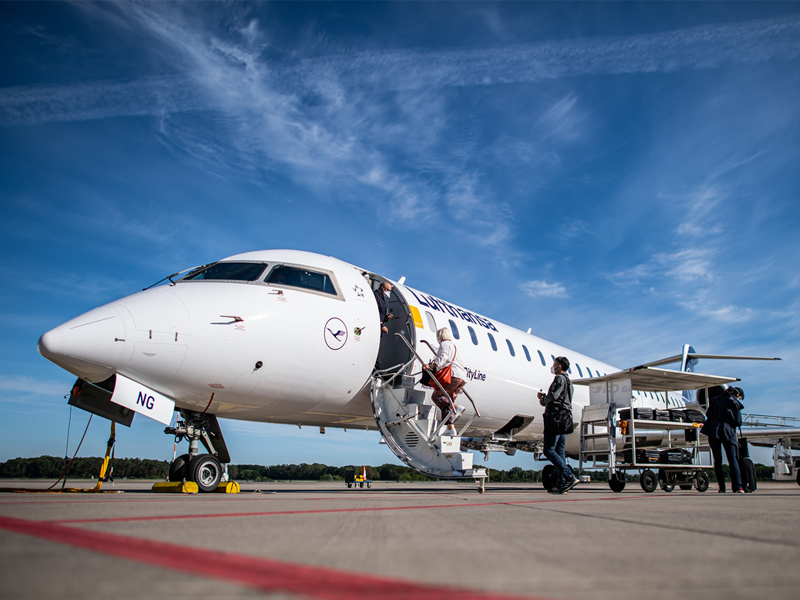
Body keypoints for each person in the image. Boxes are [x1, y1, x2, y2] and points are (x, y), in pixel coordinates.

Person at [538, 356, 578, 494]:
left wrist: (543, 399)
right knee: (560, 450)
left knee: (549, 450)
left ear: (559, 366)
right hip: (565, 418)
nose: (553, 366)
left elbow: (554, 396)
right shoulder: (569, 382)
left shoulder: (559, 379)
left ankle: (569, 475)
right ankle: (562, 483)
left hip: (555, 417)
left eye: (554, 364)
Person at [424, 327, 467, 436]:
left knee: (436, 396)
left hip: (453, 376)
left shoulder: (444, 344)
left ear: (440, 336)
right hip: (461, 378)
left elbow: (442, 359)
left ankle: (457, 407)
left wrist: (430, 365)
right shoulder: (453, 346)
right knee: (446, 404)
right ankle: (450, 429)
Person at [701, 386, 744, 493]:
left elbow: (708, 414)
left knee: (717, 461)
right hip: (728, 433)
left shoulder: (715, 400)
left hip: (713, 432)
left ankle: (722, 488)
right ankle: (738, 487)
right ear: (738, 394)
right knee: (732, 460)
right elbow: (738, 421)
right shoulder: (734, 402)